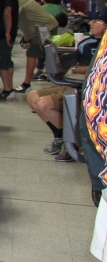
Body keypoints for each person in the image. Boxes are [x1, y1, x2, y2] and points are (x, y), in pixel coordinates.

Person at [30, 10, 105, 161]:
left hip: (88, 89)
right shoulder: (87, 43)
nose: (90, 23)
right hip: (75, 82)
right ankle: (61, 137)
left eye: (95, 21)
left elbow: (95, 67)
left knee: (44, 104)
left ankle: (72, 143)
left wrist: (75, 70)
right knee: (32, 96)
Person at [12, 0, 59, 94]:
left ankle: (26, 83)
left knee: (32, 53)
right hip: (43, 27)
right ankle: (49, 75)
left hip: (45, 28)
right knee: (42, 52)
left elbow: (12, 17)